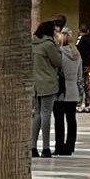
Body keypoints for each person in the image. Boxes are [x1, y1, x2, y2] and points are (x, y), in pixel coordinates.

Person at [31, 20, 62, 158]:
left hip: (35, 83)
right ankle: (46, 148)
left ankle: (32, 147)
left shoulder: (32, 43)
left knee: (37, 114)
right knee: (46, 114)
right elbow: (58, 62)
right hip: (48, 82)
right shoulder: (48, 45)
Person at [53, 27, 83, 155]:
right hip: (73, 90)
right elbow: (80, 75)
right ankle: (70, 146)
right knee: (71, 120)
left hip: (60, 91)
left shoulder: (58, 53)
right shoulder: (77, 54)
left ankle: (59, 146)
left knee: (59, 120)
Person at [76, 23, 90, 113]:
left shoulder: (80, 40)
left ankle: (79, 104)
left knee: (80, 84)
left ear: (79, 31)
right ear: (87, 31)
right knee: (87, 85)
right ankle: (87, 105)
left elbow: (76, 49)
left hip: (81, 64)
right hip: (88, 64)